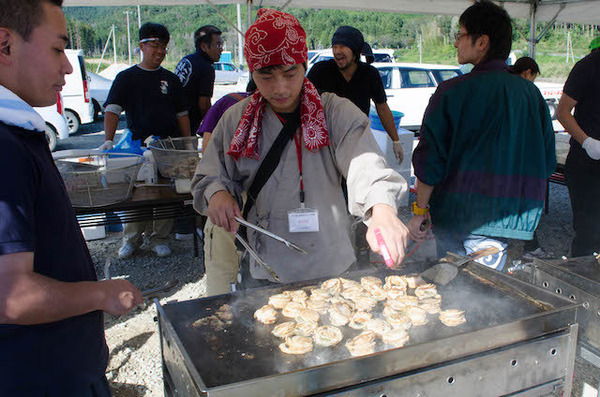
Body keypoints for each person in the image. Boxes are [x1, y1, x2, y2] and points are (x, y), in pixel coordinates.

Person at [192, 8, 410, 287]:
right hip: (267, 266)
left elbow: (367, 166)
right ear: (252, 71)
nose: (281, 88)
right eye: (266, 76)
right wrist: (218, 194)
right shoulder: (236, 119)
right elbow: (209, 175)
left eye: (290, 72)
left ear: (304, 64)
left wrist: (382, 210)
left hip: (331, 264)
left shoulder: (335, 112)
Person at [0, 0, 143, 394]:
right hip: (39, 379)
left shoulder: (18, 135)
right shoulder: (5, 147)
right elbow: (11, 297)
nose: (67, 66)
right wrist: (102, 293)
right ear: (5, 45)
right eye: (58, 48)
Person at [408, 0, 556, 271]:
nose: (455, 43)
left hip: (457, 216)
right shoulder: (530, 94)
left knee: (455, 290)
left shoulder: (451, 92)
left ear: (482, 42)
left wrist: (419, 211)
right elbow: (546, 162)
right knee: (485, 292)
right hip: (508, 220)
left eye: (460, 35)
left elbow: (430, 162)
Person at [100, 22, 191, 259]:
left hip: (167, 146)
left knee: (165, 192)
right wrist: (108, 141)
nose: (160, 51)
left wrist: (187, 145)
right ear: (141, 45)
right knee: (135, 193)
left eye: (164, 46)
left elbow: (182, 114)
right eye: (155, 45)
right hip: (136, 146)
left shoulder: (170, 79)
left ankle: (159, 238)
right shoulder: (126, 78)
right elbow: (112, 109)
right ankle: (131, 239)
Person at [307, 26, 403, 164]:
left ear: (356, 51)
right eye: (334, 47)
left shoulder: (370, 74)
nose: (337, 51)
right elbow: (304, 102)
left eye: (343, 46)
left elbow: (382, 107)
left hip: (357, 141)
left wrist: (396, 140)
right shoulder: (320, 71)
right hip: (325, 144)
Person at [198, 79, 256, 296]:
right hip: (230, 204)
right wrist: (218, 191)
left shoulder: (226, 103)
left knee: (227, 276)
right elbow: (208, 158)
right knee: (224, 276)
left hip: (251, 207)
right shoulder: (229, 107)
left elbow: (205, 150)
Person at [557, 36, 600, 257]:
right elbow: (562, 111)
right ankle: (582, 282)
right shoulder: (589, 66)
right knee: (589, 232)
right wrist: (587, 142)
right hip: (588, 163)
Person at [509, 57, 554, 260]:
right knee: (525, 202)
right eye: (533, 76)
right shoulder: (528, 92)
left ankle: (512, 244)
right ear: (528, 72)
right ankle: (530, 247)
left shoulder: (497, 83)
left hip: (499, 161)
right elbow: (543, 131)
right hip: (521, 160)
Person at [175, 25, 223, 133]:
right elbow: (204, 105)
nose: (221, 49)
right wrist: (214, 129)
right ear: (204, 46)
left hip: (172, 122)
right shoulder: (206, 68)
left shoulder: (186, 60)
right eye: (218, 45)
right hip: (186, 127)